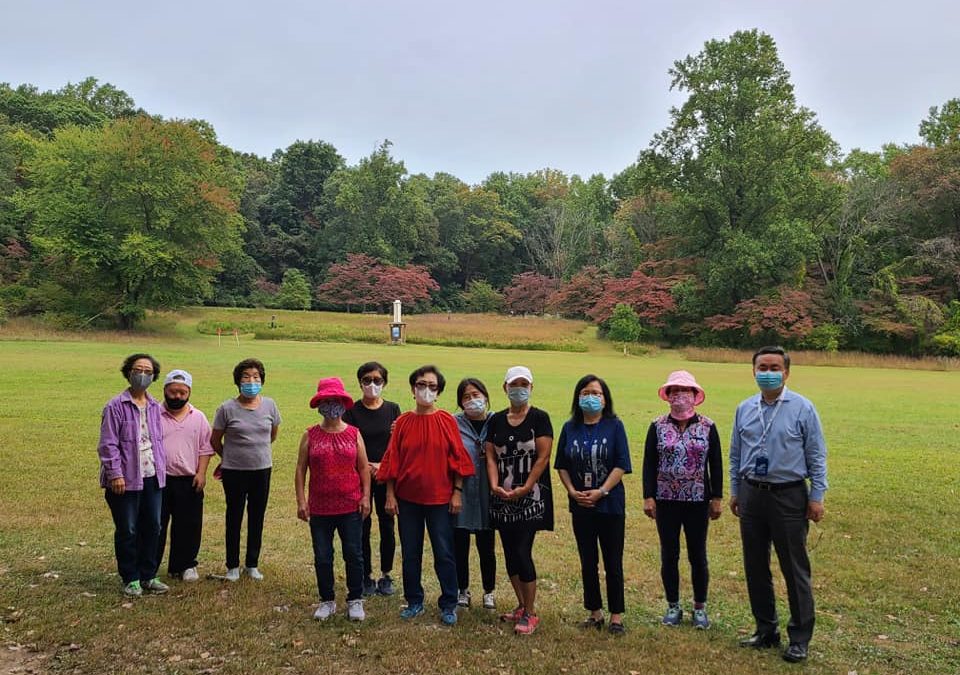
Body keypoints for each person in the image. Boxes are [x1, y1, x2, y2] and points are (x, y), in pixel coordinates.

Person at [730, 346, 828, 664]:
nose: (768, 372)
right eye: (762, 367)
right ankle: (765, 629)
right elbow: (735, 455)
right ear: (753, 371)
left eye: (774, 367)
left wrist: (816, 497)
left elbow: (816, 455)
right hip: (752, 494)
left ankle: (799, 637)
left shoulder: (803, 408)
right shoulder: (744, 408)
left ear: (786, 372)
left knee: (794, 567)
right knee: (755, 566)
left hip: (789, 496)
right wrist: (735, 492)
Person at [377, 365, 475, 626]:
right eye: (421, 384)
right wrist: (390, 494)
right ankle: (414, 600)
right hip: (408, 500)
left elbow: (458, 459)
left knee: (444, 552)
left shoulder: (446, 422)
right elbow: (392, 460)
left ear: (439, 391)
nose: (426, 390)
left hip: (440, 500)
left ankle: (449, 602)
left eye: (432, 386)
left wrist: (457, 492)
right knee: (411, 552)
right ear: (412, 388)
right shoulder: (402, 423)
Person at [642, 370, 722, 630]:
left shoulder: (708, 427)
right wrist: (648, 496)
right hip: (666, 500)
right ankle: (673, 606)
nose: (679, 396)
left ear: (695, 395)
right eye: (674, 391)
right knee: (669, 554)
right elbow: (649, 464)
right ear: (667, 396)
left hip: (698, 499)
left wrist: (717, 497)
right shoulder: (657, 426)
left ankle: (700, 607)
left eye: (685, 391)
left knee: (698, 555)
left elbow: (716, 464)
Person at [555, 374, 631, 635]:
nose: (591, 397)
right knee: (588, 560)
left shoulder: (615, 426)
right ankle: (595, 612)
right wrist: (573, 491)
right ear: (578, 397)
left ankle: (616, 616)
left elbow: (621, 463)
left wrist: (601, 491)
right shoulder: (569, 427)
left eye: (596, 393)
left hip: (610, 506)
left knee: (613, 562)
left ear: (605, 398)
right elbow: (562, 465)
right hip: (580, 506)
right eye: (586, 392)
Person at [295, 377, 371, 622]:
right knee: (323, 555)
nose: (331, 407)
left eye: (335, 401)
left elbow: (363, 468)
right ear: (319, 404)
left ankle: (355, 599)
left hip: (350, 504)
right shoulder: (310, 435)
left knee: (354, 553)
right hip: (320, 507)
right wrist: (301, 501)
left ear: (343, 404)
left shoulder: (354, 434)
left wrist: (366, 497)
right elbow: (300, 470)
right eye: (326, 402)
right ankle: (327, 600)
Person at [486, 365, 554, 635]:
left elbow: (543, 457)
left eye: (524, 385)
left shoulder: (540, 418)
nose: (519, 389)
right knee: (510, 554)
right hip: (502, 499)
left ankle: (531, 612)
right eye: (514, 384)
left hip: (531, 499)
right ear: (505, 388)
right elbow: (490, 455)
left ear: (531, 388)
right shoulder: (497, 420)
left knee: (523, 551)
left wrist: (527, 486)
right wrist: (493, 485)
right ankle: (520, 605)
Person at [97, 353, 169, 597]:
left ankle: (148, 575)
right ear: (128, 372)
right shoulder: (115, 406)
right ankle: (131, 577)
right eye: (138, 369)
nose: (143, 375)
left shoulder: (155, 406)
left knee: (154, 526)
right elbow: (108, 444)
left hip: (152, 476)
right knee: (127, 528)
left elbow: (157, 442)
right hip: (125, 478)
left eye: (148, 372)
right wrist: (114, 474)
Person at [211, 358, 282, 582]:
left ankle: (252, 564)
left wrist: (256, 452)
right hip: (234, 471)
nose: (251, 381)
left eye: (256, 377)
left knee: (257, 516)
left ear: (262, 380)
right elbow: (215, 440)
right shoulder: (226, 408)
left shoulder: (270, 405)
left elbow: (272, 434)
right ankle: (232, 565)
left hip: (262, 469)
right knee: (234, 516)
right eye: (246, 377)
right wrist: (229, 457)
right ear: (237, 381)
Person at [342, 362, 402, 597]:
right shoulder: (352, 412)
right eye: (367, 380)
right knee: (361, 528)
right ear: (359, 382)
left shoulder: (393, 409)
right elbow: (349, 445)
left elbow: (396, 446)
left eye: (377, 380)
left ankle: (386, 574)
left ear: (384, 383)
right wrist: (366, 467)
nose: (372, 384)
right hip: (359, 479)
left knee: (388, 527)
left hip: (387, 479)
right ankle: (365, 575)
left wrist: (383, 468)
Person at [158, 369, 214, 582]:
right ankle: (150, 564)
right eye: (173, 392)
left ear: (189, 392)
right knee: (156, 524)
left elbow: (205, 447)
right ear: (165, 390)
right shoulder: (154, 414)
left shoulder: (198, 417)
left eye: (182, 392)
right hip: (159, 479)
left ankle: (185, 565)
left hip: (189, 479)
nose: (177, 396)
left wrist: (201, 473)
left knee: (188, 524)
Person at [452, 377, 497, 611]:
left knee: (486, 546)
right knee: (460, 545)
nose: (472, 400)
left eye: (476, 395)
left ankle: (489, 591)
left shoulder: (497, 421)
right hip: (461, 493)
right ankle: (462, 590)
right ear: (460, 402)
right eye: (466, 397)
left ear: (486, 397)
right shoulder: (453, 423)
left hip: (488, 494)